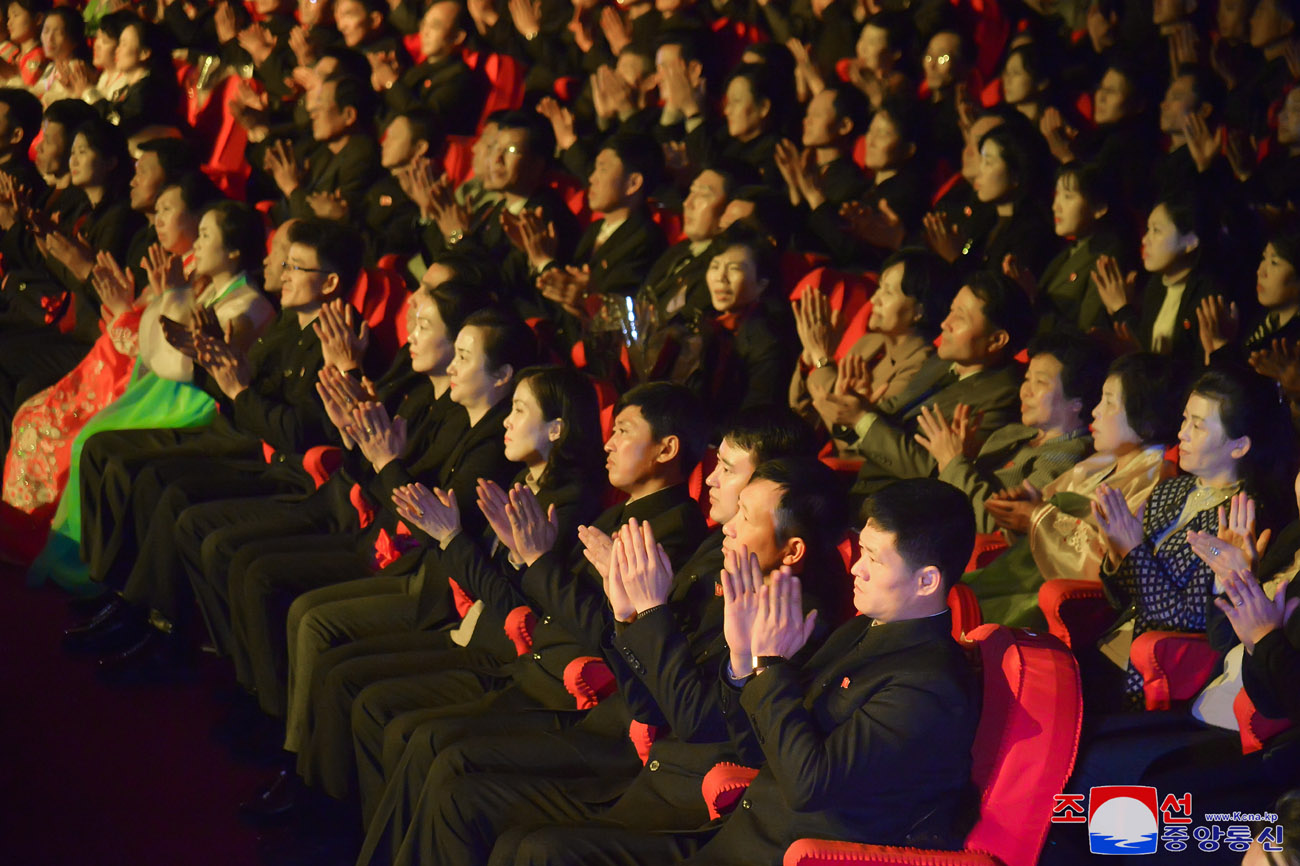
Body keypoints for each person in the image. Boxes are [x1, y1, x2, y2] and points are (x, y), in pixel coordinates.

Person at [388, 455, 847, 866]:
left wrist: (650, 611)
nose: (727, 526)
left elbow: (697, 720)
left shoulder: (797, 622)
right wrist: (626, 612)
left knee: (518, 836)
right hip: (644, 772)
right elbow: (647, 705)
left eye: (745, 517)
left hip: (686, 803)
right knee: (463, 796)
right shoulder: (728, 579)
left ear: (792, 550)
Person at [503, 476, 980, 865]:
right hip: (734, 834)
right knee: (524, 844)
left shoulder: (929, 684)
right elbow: (752, 745)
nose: (857, 568)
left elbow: (808, 783)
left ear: (927, 580)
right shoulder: (862, 632)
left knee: (540, 851)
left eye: (875, 559)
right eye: (862, 552)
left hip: (779, 852)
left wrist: (769, 666)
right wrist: (741, 657)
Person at [353, 382, 710, 860]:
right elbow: (535, 609)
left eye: (623, 431)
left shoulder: (669, 533)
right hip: (528, 668)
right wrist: (521, 558)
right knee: (407, 729)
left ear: (667, 448)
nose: (608, 442)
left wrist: (538, 562)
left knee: (440, 755)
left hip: (575, 702)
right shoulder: (617, 516)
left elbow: (607, 636)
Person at [41, 196, 271, 598]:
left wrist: (176, 297)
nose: (196, 245)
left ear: (234, 250)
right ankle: (94, 570)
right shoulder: (210, 293)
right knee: (90, 439)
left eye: (205, 235)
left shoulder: (250, 305)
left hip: (198, 406)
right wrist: (171, 296)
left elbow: (181, 366)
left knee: (104, 446)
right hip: (167, 393)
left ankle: (109, 581)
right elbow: (154, 350)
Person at [0, 173, 224, 559]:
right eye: (158, 210)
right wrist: (125, 304)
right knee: (31, 414)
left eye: (169, 210)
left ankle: (50, 538)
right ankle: (27, 525)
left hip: (145, 389)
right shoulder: (173, 266)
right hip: (113, 370)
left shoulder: (201, 281)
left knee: (47, 425)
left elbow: (164, 354)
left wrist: (126, 308)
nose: (157, 218)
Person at [1084, 366, 1294, 710]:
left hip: (1160, 668)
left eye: (1197, 425)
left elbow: (1189, 618)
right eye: (1184, 420)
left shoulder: (1243, 516)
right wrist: (1116, 552)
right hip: (1111, 644)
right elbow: (1121, 598)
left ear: (1239, 445)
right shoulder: (1171, 489)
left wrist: (1134, 551)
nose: (1182, 433)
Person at [965, 353, 1185, 626]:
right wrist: (1023, 511)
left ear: (1145, 417)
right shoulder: (1099, 462)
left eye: (1109, 402)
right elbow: (1044, 510)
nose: (1095, 412)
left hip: (1065, 603)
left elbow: (1107, 565)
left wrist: (1036, 518)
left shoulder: (1155, 483)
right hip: (1027, 577)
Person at [822, 270, 1031, 502]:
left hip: (904, 505)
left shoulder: (1004, 395)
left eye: (960, 318)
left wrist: (862, 418)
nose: (945, 323)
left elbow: (935, 469)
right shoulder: (941, 362)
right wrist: (857, 407)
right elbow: (888, 416)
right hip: (862, 485)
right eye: (951, 310)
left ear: (996, 340)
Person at [922, 332, 1102, 533]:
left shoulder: (1068, 457)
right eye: (1027, 379)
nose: (1026, 391)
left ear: (1077, 402)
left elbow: (995, 524)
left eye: (1040, 382)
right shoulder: (1013, 432)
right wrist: (966, 458)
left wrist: (952, 461)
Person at [790, 247, 954, 439]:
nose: (875, 299)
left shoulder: (920, 366)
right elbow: (804, 413)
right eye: (879, 288)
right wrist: (808, 358)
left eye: (889, 292)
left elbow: (851, 432)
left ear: (920, 310)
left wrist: (822, 359)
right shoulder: (870, 342)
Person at [1095, 191, 1222, 364]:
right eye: (1147, 229)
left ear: (1190, 242)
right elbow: (1145, 351)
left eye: (1157, 231)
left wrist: (1121, 309)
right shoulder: (1155, 286)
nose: (1145, 239)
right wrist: (1119, 310)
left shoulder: (1207, 295)